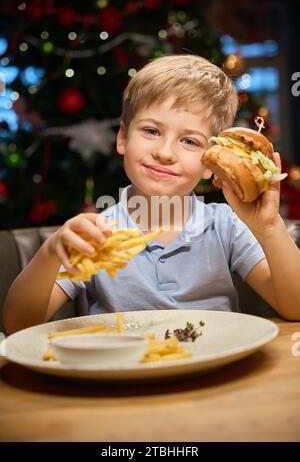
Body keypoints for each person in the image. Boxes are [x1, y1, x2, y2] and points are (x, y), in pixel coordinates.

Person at [3, 54, 300, 334]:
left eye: (189, 141)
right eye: (151, 131)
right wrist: (50, 253)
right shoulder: (95, 235)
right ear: (122, 138)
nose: (164, 152)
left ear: (212, 162)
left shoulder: (226, 226)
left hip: (216, 379)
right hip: (122, 378)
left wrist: (269, 227)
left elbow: (296, 308)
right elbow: (19, 326)